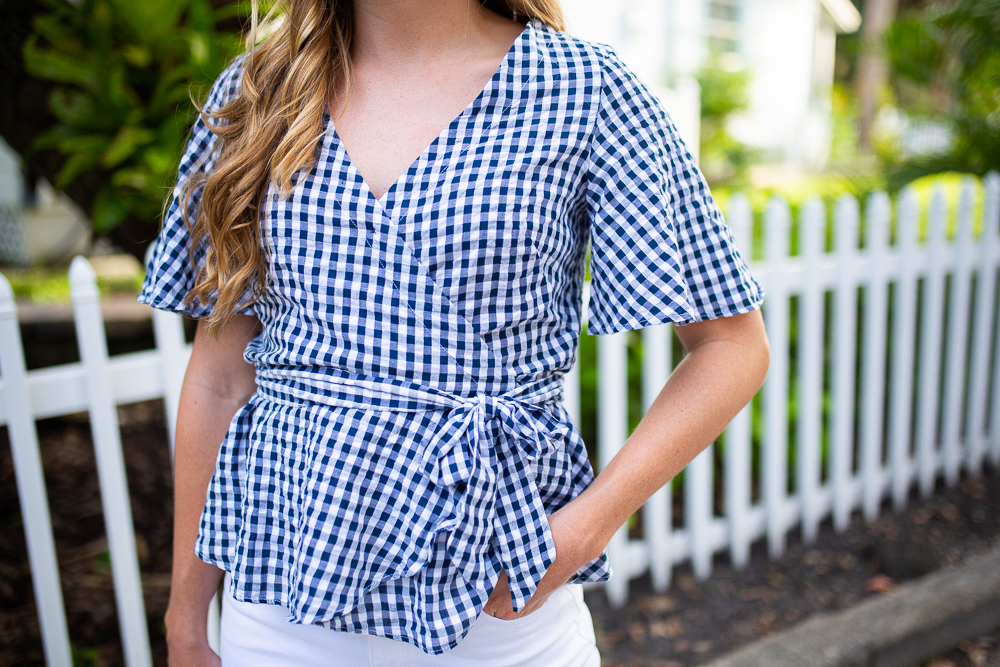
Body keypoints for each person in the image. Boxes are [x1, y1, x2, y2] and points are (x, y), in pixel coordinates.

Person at [138, 1, 770, 665]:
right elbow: (220, 376)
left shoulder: (585, 92)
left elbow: (732, 345)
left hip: (495, 622)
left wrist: (585, 528)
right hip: (275, 616)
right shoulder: (257, 92)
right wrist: (186, 615)